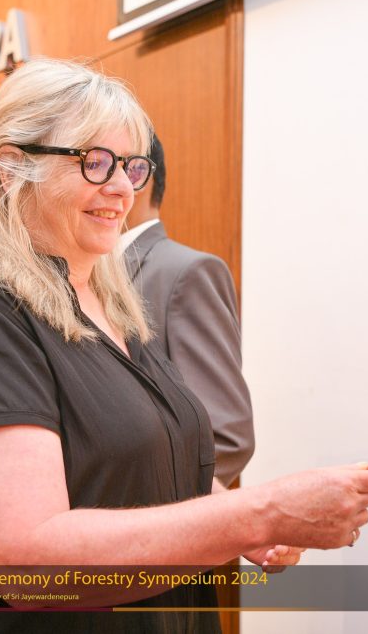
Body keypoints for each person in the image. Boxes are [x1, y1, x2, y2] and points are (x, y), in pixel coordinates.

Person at [0, 58, 368, 633]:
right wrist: (258, 513)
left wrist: (247, 521)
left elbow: (150, 459)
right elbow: (30, 566)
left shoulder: (113, 313)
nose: (124, 188)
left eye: (131, 166)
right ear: (11, 169)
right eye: (95, 162)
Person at [119, 134, 253, 487]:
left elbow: (226, 436)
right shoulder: (82, 273)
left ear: (137, 175)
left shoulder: (187, 273)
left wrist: (146, 508)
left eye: (102, 165)